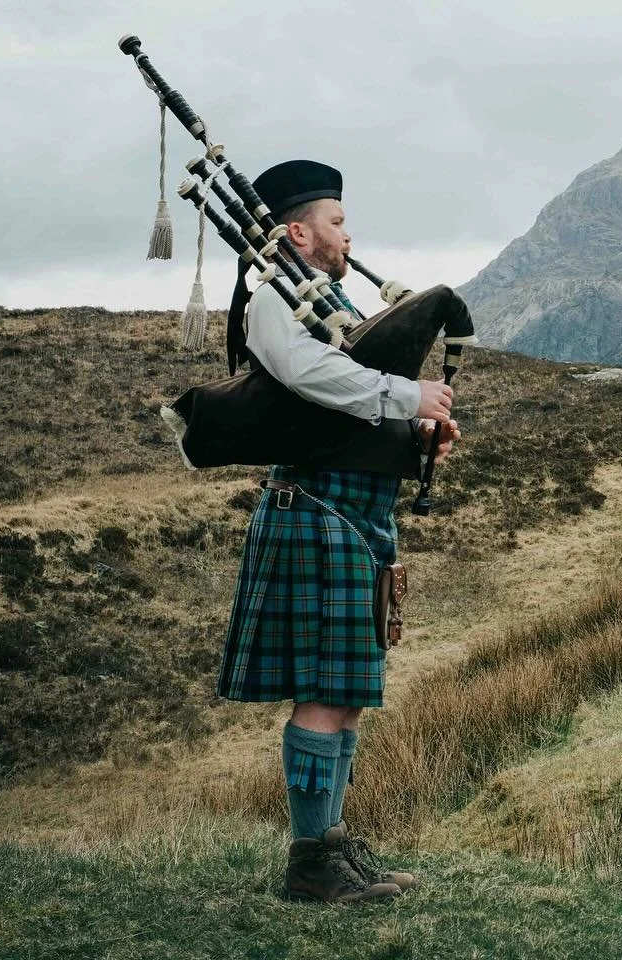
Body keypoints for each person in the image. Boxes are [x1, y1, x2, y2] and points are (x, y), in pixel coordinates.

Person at [215, 160, 459, 904]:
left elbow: (344, 408)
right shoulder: (270, 300)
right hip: (316, 511)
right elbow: (306, 375)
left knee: (348, 691)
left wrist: (416, 431)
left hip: (353, 512)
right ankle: (309, 863)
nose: (348, 235)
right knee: (325, 688)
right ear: (298, 231)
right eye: (338, 222)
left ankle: (332, 844)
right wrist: (402, 392)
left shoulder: (332, 300)